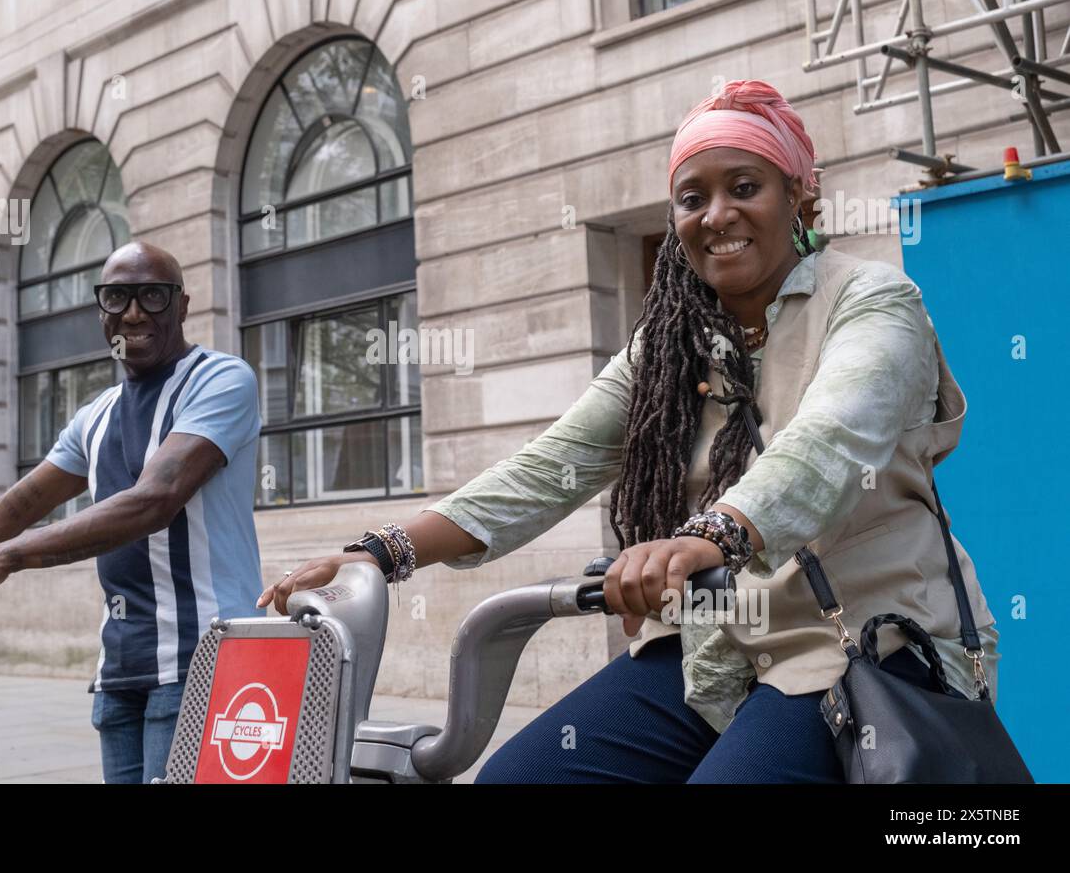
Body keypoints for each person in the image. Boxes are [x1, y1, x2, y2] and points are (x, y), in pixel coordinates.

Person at [258, 79, 1000, 783]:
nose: (717, 214)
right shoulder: (666, 344)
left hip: (860, 645)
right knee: (521, 777)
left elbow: (830, 442)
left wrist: (709, 535)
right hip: (714, 642)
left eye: (745, 187)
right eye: (692, 197)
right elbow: (551, 466)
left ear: (802, 194)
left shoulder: (874, 300)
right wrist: (379, 554)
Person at [0, 242, 263, 784]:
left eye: (153, 297)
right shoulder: (97, 414)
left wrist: (4, 558)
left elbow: (154, 499)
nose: (133, 313)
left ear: (182, 307)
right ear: (101, 311)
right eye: (117, 297)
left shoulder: (220, 379)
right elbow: (0, 516)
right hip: (120, 668)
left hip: (203, 659)